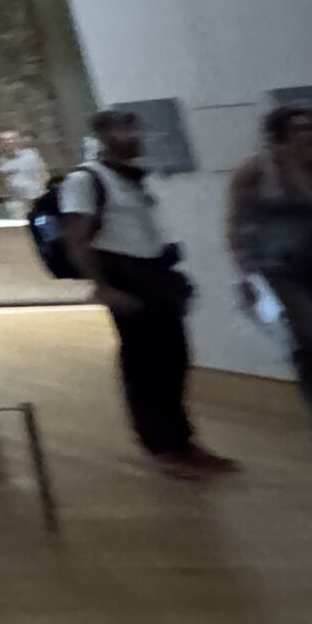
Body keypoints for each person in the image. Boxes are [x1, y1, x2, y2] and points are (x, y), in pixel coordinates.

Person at [60, 108, 238, 479]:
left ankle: (182, 439)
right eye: (125, 130)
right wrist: (103, 287)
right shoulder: (85, 180)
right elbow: (77, 239)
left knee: (174, 358)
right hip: (125, 277)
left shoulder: (132, 178)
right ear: (103, 135)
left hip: (153, 273)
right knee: (145, 363)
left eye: (136, 129)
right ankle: (161, 445)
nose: (135, 137)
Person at [226, 104, 312, 468]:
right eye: (301, 129)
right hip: (282, 271)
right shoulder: (256, 172)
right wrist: (247, 275)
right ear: (280, 134)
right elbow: (234, 227)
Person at [0, 129, 50, 219]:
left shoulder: (31, 156)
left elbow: (44, 174)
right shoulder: (0, 162)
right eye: (5, 140)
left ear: (19, 140)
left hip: (35, 199)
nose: (9, 142)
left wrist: (41, 191)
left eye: (11, 139)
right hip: (16, 202)